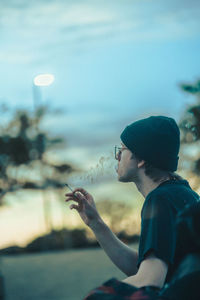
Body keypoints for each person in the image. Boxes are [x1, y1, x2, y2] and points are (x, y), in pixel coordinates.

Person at [65, 115, 199, 289]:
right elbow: (146, 269)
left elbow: (150, 280)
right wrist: (95, 223)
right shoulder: (182, 194)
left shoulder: (160, 200)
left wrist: (101, 294)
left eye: (122, 149)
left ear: (141, 159)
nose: (117, 156)